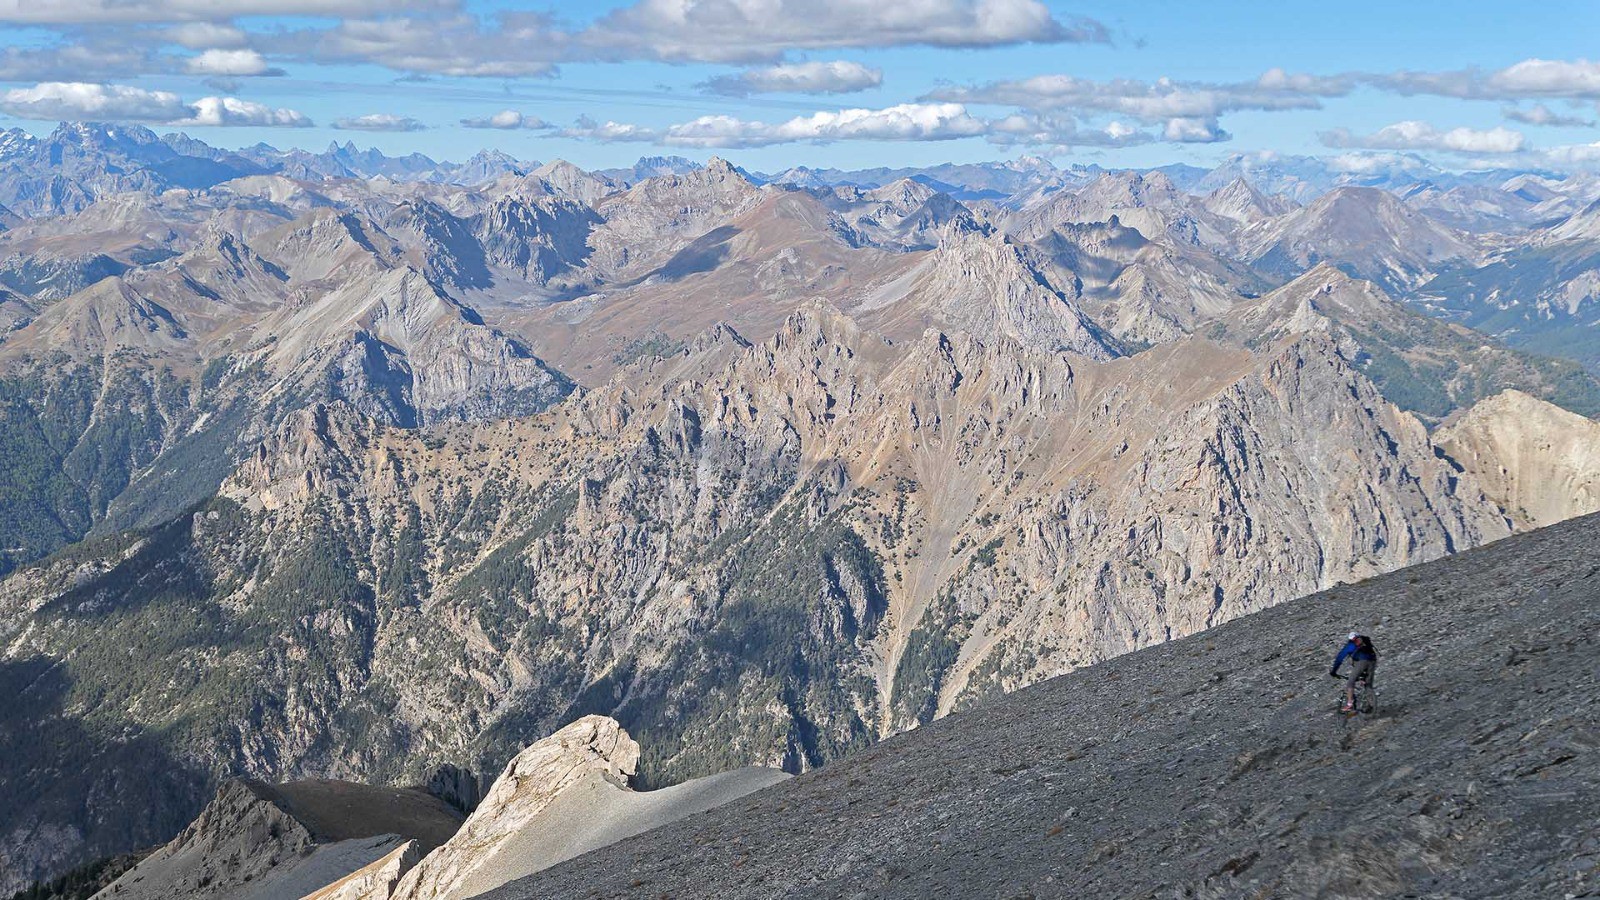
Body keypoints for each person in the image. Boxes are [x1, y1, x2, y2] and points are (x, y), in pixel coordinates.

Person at [1330, 632, 1377, 712]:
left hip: (1362, 662)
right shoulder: (1365, 641)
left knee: (1350, 682)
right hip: (1373, 661)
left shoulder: (1350, 645)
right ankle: (1371, 706)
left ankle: (1349, 704)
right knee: (1368, 684)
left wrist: (1334, 671)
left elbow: (1340, 658)